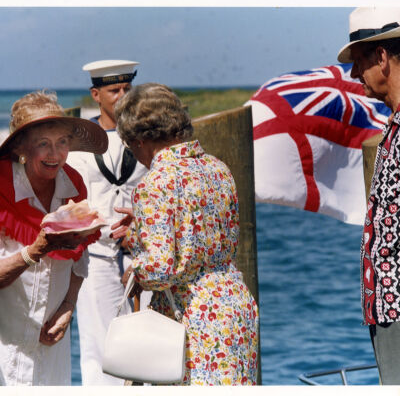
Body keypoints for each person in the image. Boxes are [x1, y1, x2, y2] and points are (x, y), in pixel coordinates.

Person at [111, 83, 259, 385]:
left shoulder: (155, 183)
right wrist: (143, 232)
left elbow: (161, 270)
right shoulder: (218, 168)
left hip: (193, 317)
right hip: (234, 304)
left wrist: (136, 270)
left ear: (140, 139)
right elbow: (208, 238)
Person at [0, 90, 108, 385]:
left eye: (62, 143)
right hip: (5, 339)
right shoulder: (1, 187)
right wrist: (35, 250)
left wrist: (68, 307)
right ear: (22, 147)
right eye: (44, 144)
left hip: (52, 338)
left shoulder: (73, 185)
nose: (55, 154)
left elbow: (79, 253)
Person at [67, 60, 150, 386]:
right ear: (96, 94)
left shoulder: (147, 138)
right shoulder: (77, 142)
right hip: (96, 256)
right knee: (96, 342)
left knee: (147, 341)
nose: (122, 96)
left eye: (128, 89)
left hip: (142, 252)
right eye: (114, 90)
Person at [338, 7, 400, 384]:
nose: (353, 73)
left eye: (358, 60)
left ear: (381, 58)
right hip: (388, 307)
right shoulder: (393, 126)